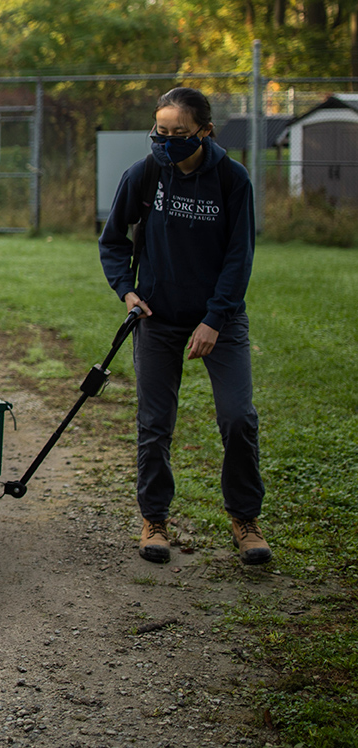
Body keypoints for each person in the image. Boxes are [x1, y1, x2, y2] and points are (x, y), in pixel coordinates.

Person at [99, 86, 270, 566]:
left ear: (205, 132)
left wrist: (214, 319)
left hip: (221, 321)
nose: (167, 141)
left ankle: (245, 519)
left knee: (238, 418)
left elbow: (240, 258)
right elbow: (113, 241)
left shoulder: (232, 180)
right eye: (161, 131)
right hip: (158, 318)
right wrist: (127, 291)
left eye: (179, 133)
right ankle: (154, 519)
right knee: (155, 424)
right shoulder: (146, 173)